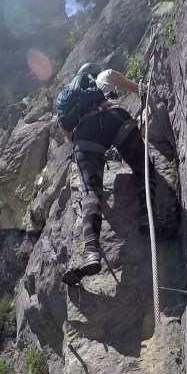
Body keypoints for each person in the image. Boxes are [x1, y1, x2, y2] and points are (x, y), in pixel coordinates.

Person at [56, 62, 153, 286]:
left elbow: (68, 134)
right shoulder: (103, 77)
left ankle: (91, 251)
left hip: (84, 134)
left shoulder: (69, 102)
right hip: (114, 117)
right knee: (142, 166)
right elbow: (133, 86)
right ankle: (149, 217)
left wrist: (89, 150)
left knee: (90, 191)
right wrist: (142, 93)